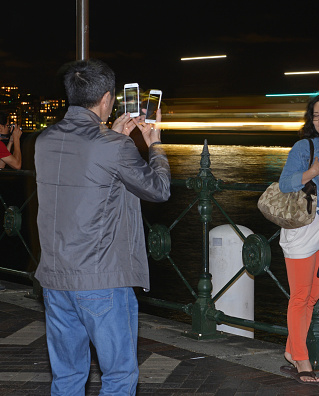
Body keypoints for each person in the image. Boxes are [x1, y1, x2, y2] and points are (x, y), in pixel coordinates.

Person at [34, 59, 171, 395]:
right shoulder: (113, 146)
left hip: (55, 277)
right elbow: (159, 189)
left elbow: (87, 174)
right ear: (108, 98)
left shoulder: (44, 140)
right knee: (119, 374)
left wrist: (112, 136)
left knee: (67, 375)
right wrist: (155, 144)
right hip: (101, 279)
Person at [277, 92, 319, 384]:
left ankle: (292, 351)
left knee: (314, 295)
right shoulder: (305, 148)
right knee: (300, 296)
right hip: (301, 231)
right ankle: (302, 360)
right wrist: (313, 171)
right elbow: (285, 182)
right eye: (316, 116)